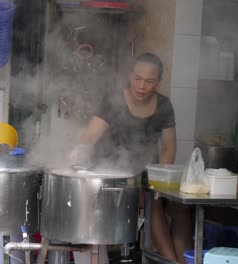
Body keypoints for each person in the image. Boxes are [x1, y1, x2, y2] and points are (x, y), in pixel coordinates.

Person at [70, 53, 193, 263]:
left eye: (149, 81)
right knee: (150, 201)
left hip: (149, 174)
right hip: (113, 174)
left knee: (180, 206)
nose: (141, 86)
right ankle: (171, 260)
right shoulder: (114, 99)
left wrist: (162, 177)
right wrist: (79, 150)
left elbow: (168, 147)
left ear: (158, 82)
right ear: (130, 76)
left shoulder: (163, 105)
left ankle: (188, 260)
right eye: (137, 78)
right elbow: (90, 135)